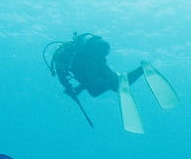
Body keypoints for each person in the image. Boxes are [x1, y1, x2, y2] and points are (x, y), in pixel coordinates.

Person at [43, 33, 179, 132]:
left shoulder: (59, 59)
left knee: (94, 89)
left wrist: (71, 90)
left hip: (89, 65)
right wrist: (78, 88)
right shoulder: (74, 49)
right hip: (98, 59)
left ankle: (124, 77)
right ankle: (142, 68)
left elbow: (63, 77)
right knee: (117, 85)